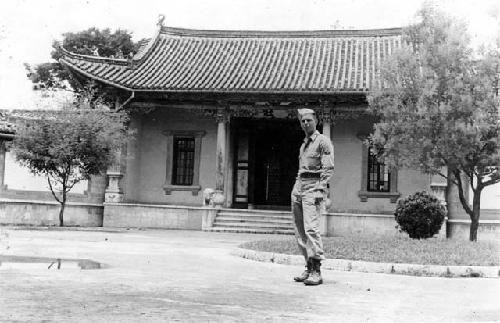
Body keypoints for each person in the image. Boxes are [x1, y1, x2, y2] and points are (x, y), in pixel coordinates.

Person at [291, 108, 334, 286]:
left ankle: (317, 270)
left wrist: (320, 190)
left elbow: (328, 168)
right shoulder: (304, 144)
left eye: (309, 120)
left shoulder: (323, 141)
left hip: (313, 187)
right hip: (299, 186)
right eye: (303, 121)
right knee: (299, 230)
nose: (306, 123)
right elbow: (302, 169)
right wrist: (296, 188)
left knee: (311, 229)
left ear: (316, 120)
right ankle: (308, 266)